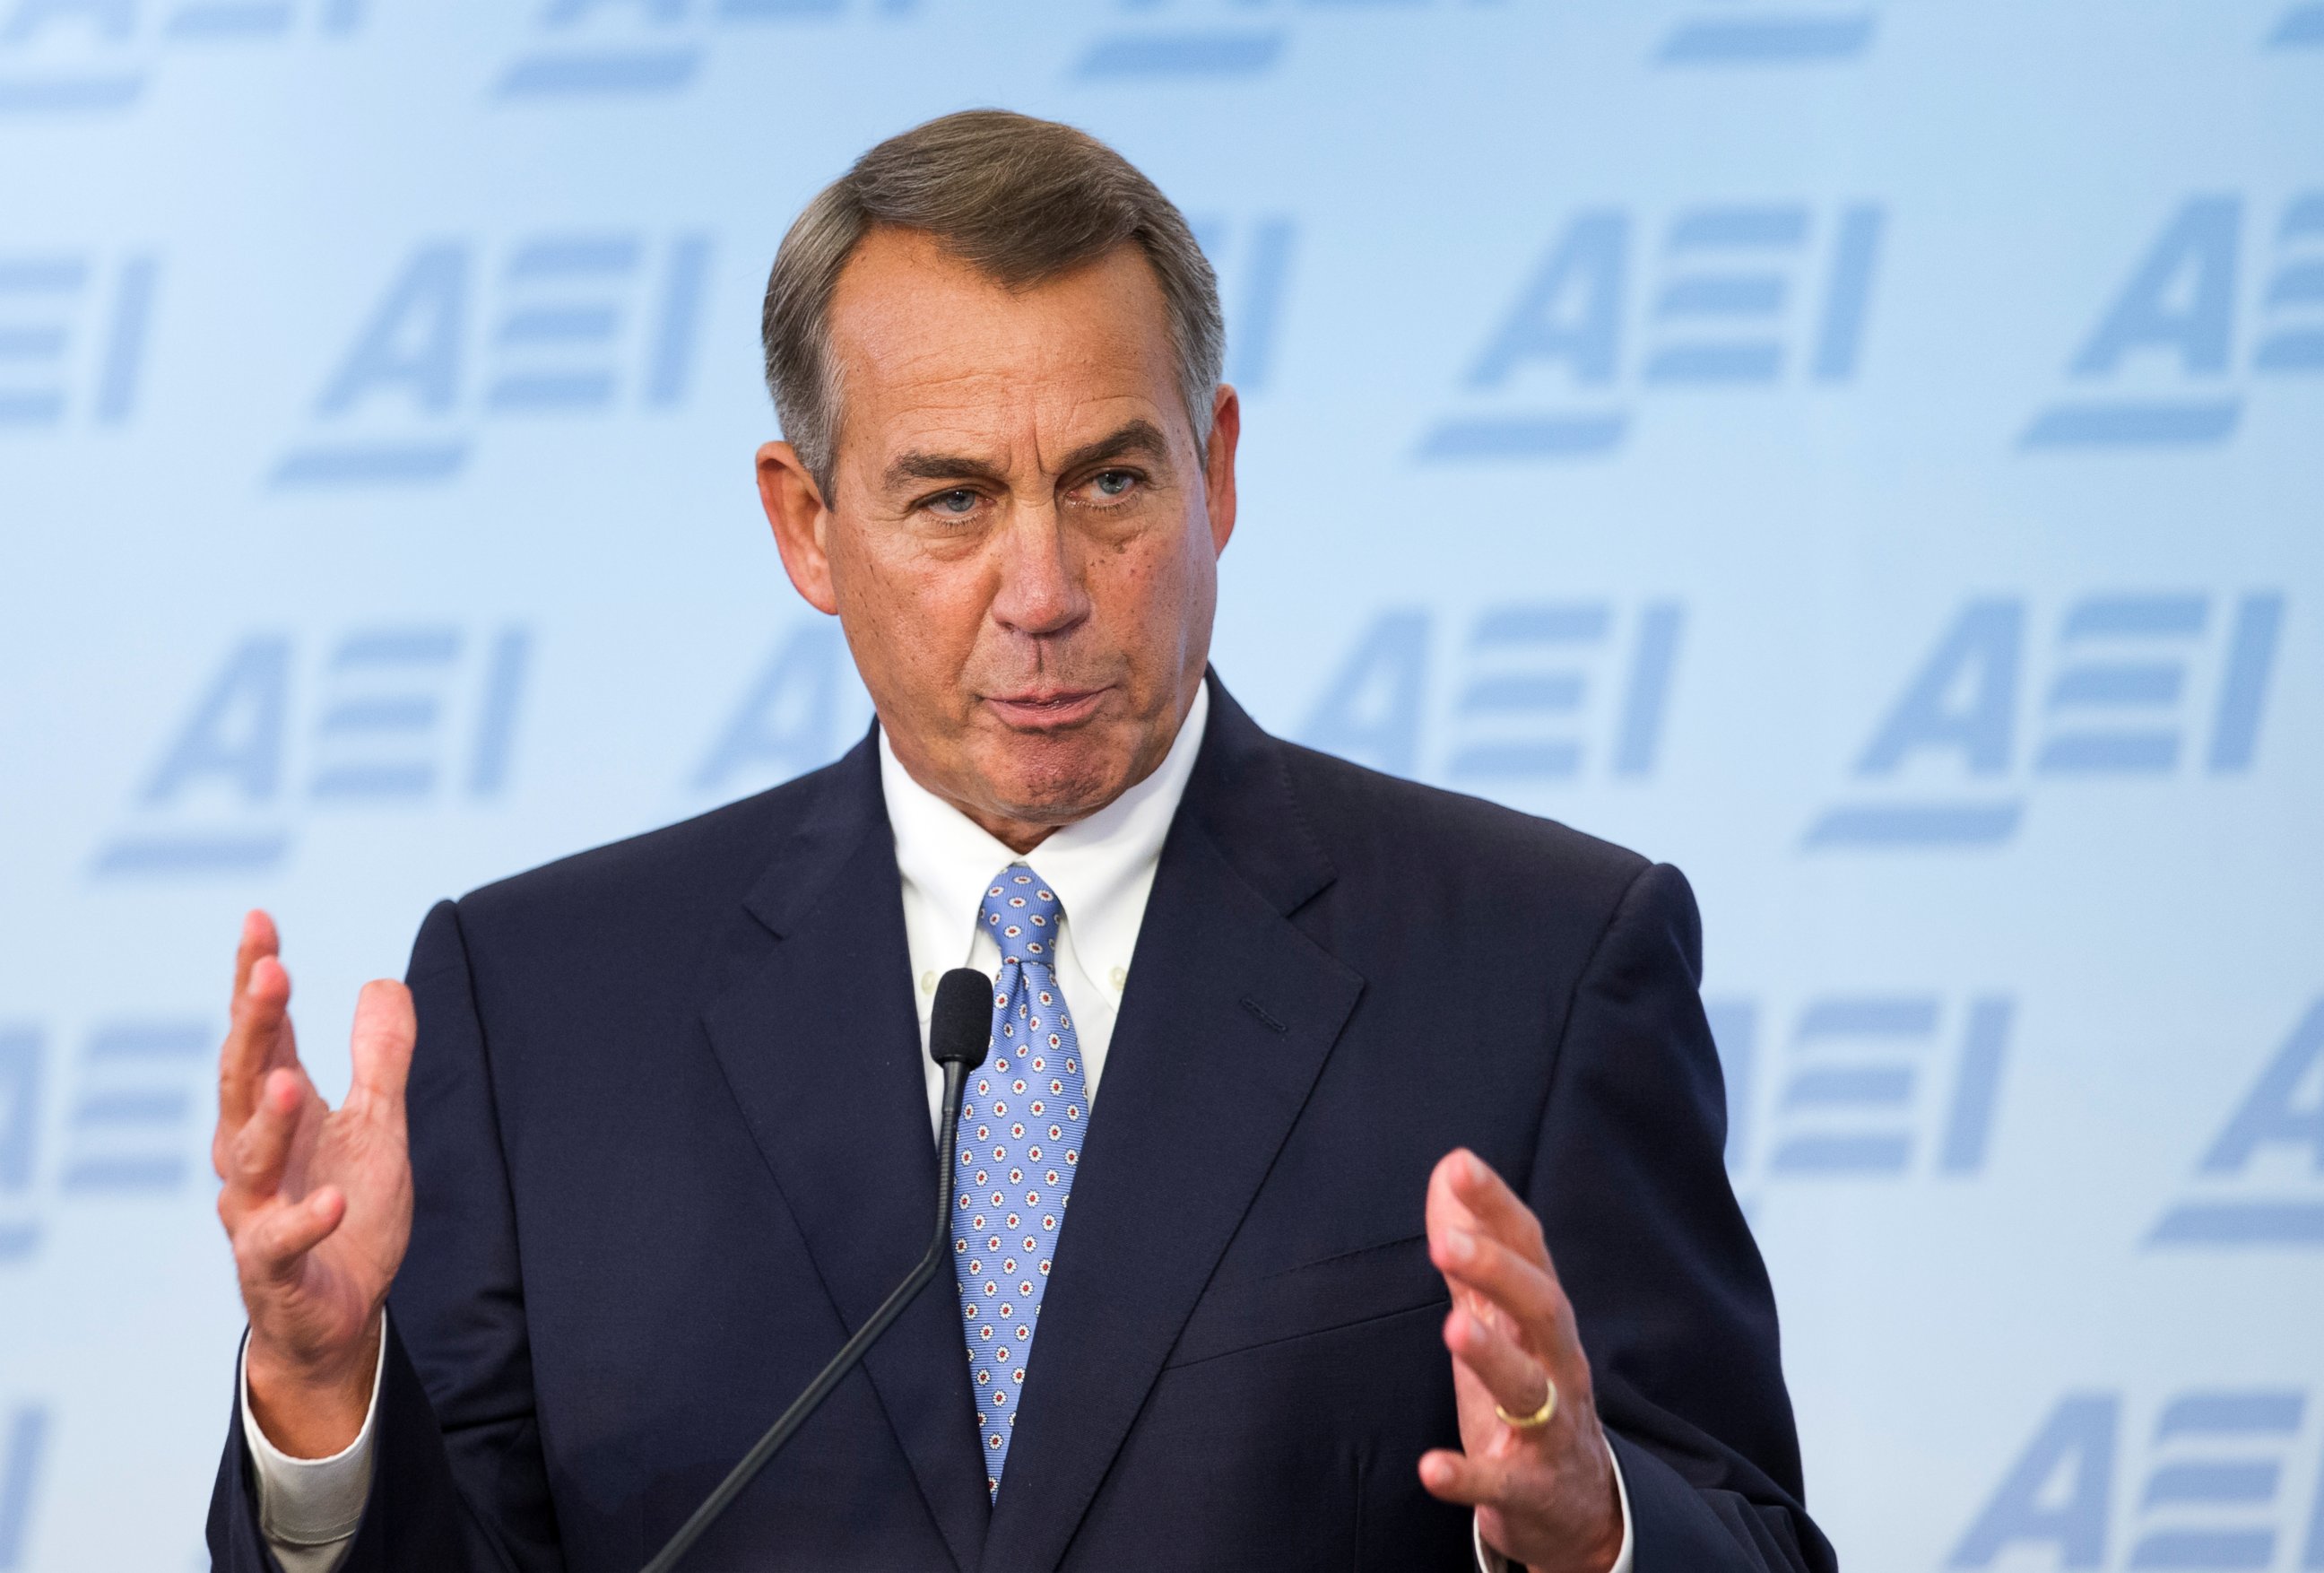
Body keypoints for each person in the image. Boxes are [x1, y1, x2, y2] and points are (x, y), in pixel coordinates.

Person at [204, 110, 1834, 1573]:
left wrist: (1594, 1528)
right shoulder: (539, 1005)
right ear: (805, 523)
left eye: (1113, 481)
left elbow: (1752, 1536)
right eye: (953, 499)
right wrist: (323, 1394)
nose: (1044, 591)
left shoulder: (1542, 961)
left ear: (1221, 473)